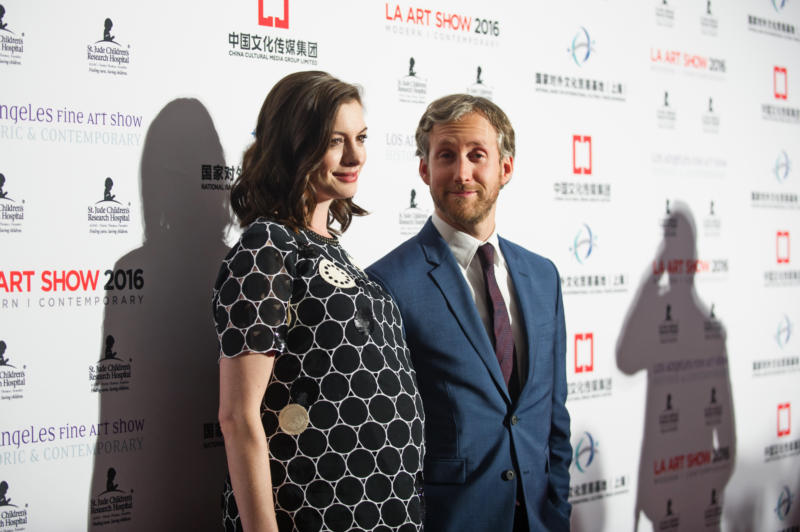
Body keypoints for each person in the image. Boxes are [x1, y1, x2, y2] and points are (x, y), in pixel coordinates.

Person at [213, 71, 425, 532]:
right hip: (310, 512)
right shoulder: (267, 246)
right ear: (295, 145)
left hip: (384, 511)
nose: (355, 156)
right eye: (335, 141)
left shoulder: (333, 249)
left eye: (361, 137)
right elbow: (237, 415)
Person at [367, 94, 572, 531]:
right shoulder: (387, 284)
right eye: (446, 156)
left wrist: (556, 513)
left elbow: (554, 418)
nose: (462, 172)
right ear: (425, 169)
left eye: (477, 155)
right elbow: (384, 442)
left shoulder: (543, 277)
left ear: (506, 168)